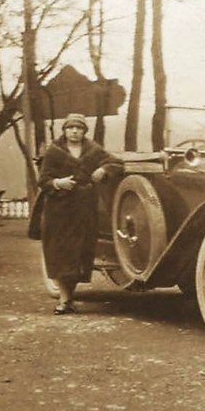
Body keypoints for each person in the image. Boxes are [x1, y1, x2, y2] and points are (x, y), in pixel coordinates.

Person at [37, 114, 123, 315]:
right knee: (60, 253)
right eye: (70, 128)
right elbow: (43, 180)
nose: (74, 131)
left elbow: (117, 163)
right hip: (59, 210)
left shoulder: (93, 150)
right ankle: (64, 300)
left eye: (79, 128)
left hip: (84, 209)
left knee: (78, 253)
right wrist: (59, 183)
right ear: (64, 130)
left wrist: (103, 169)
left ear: (84, 131)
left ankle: (69, 298)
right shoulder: (54, 152)